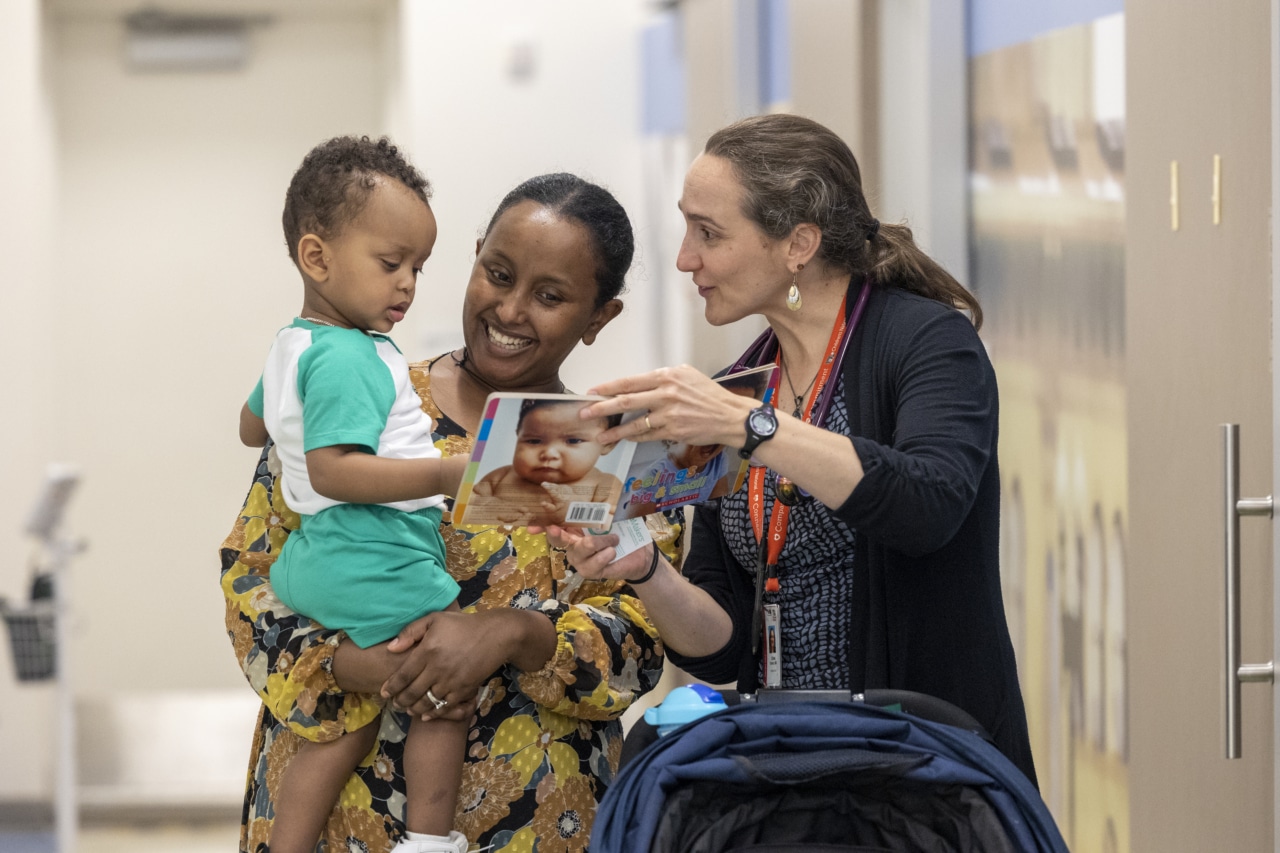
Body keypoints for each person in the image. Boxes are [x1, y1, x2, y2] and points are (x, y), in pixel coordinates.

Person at [548, 114, 1038, 785]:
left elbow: (928, 504)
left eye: (709, 233)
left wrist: (755, 427)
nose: (684, 258)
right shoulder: (742, 389)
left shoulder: (926, 342)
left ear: (798, 243)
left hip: (926, 776)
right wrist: (646, 571)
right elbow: (722, 648)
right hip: (791, 775)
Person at [220, 172, 684, 853]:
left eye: (551, 296)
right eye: (497, 273)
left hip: (538, 824)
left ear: (598, 318)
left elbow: (641, 645)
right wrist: (353, 664)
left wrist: (515, 633)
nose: (511, 309)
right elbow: (247, 579)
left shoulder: (605, 450)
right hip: (337, 823)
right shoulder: (363, 391)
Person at [238, 136, 472, 853]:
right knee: (444, 690)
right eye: (390, 263)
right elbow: (336, 471)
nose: (407, 285)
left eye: (419, 268)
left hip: (315, 559)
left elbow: (252, 428)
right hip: (372, 553)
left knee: (350, 723)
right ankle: (430, 841)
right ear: (317, 258)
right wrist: (441, 473)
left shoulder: (296, 344)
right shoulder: (348, 356)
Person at [468, 399, 623, 526]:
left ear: (608, 443)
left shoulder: (604, 484)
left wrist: (574, 513)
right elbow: (463, 503)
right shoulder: (500, 477)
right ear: (518, 436)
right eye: (534, 441)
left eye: (573, 440)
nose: (549, 453)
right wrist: (486, 506)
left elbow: (614, 527)